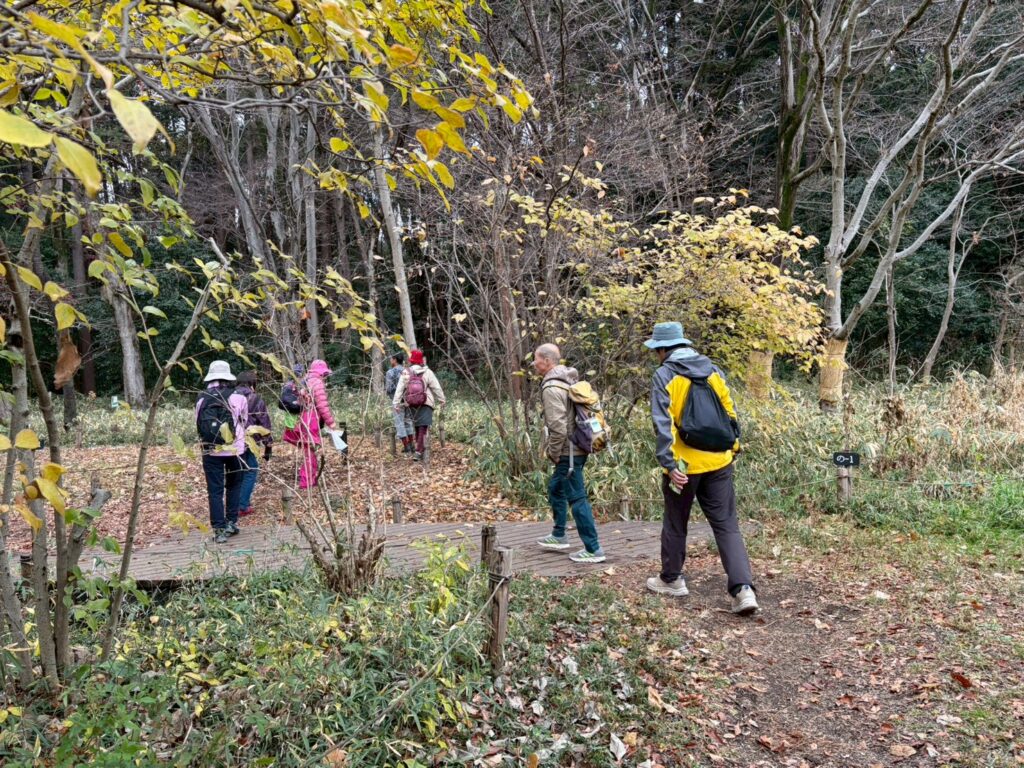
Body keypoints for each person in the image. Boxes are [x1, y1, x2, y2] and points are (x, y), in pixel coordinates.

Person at [644, 321, 758, 614]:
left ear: (663, 349)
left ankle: (672, 580)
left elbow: (663, 424)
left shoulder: (665, 375)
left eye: (657, 350)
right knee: (727, 525)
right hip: (720, 460)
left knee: (675, 520)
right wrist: (733, 448)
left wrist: (670, 465)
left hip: (683, 465)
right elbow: (730, 413)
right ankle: (743, 590)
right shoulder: (713, 370)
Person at [532, 343, 606, 564]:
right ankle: (558, 534)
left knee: (577, 497)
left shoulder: (552, 387)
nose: (533, 363)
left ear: (547, 361)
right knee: (556, 487)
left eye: (536, 359)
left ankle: (593, 549)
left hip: (569, 451)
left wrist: (554, 453)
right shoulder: (568, 380)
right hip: (578, 446)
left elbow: (558, 426)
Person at [196, 360, 248, 544]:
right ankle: (231, 523)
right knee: (234, 486)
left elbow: (198, 423)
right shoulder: (239, 397)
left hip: (210, 449)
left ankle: (218, 529)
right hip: (235, 448)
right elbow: (243, 421)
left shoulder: (202, 398)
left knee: (215, 490)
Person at [282, 359, 337, 489]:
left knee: (309, 451)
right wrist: (331, 423)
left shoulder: (305, 380)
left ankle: (309, 478)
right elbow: (322, 405)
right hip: (310, 420)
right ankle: (306, 481)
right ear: (322, 373)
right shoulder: (317, 383)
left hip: (302, 420)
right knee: (310, 451)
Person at [392, 349, 445, 461]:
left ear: (411, 360)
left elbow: (399, 389)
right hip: (426, 402)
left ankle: (419, 449)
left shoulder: (406, 372)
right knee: (423, 427)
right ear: (421, 360)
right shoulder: (428, 372)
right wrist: (442, 399)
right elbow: (436, 387)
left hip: (411, 404)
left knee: (417, 426)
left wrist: (396, 403)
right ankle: (419, 451)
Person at [235, 370, 273, 516]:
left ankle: (236, 503)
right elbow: (264, 424)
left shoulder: (229, 397)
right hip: (248, 441)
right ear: (252, 383)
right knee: (251, 470)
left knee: (238, 471)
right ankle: (242, 506)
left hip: (230, 441)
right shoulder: (255, 399)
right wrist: (268, 444)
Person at [385, 352, 415, 453]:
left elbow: (388, 389)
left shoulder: (390, 372)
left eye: (391, 359)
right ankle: (412, 445)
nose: (390, 361)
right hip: (409, 400)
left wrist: (391, 396)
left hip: (397, 401)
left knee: (399, 423)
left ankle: (406, 447)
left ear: (394, 360)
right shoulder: (407, 371)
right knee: (408, 421)